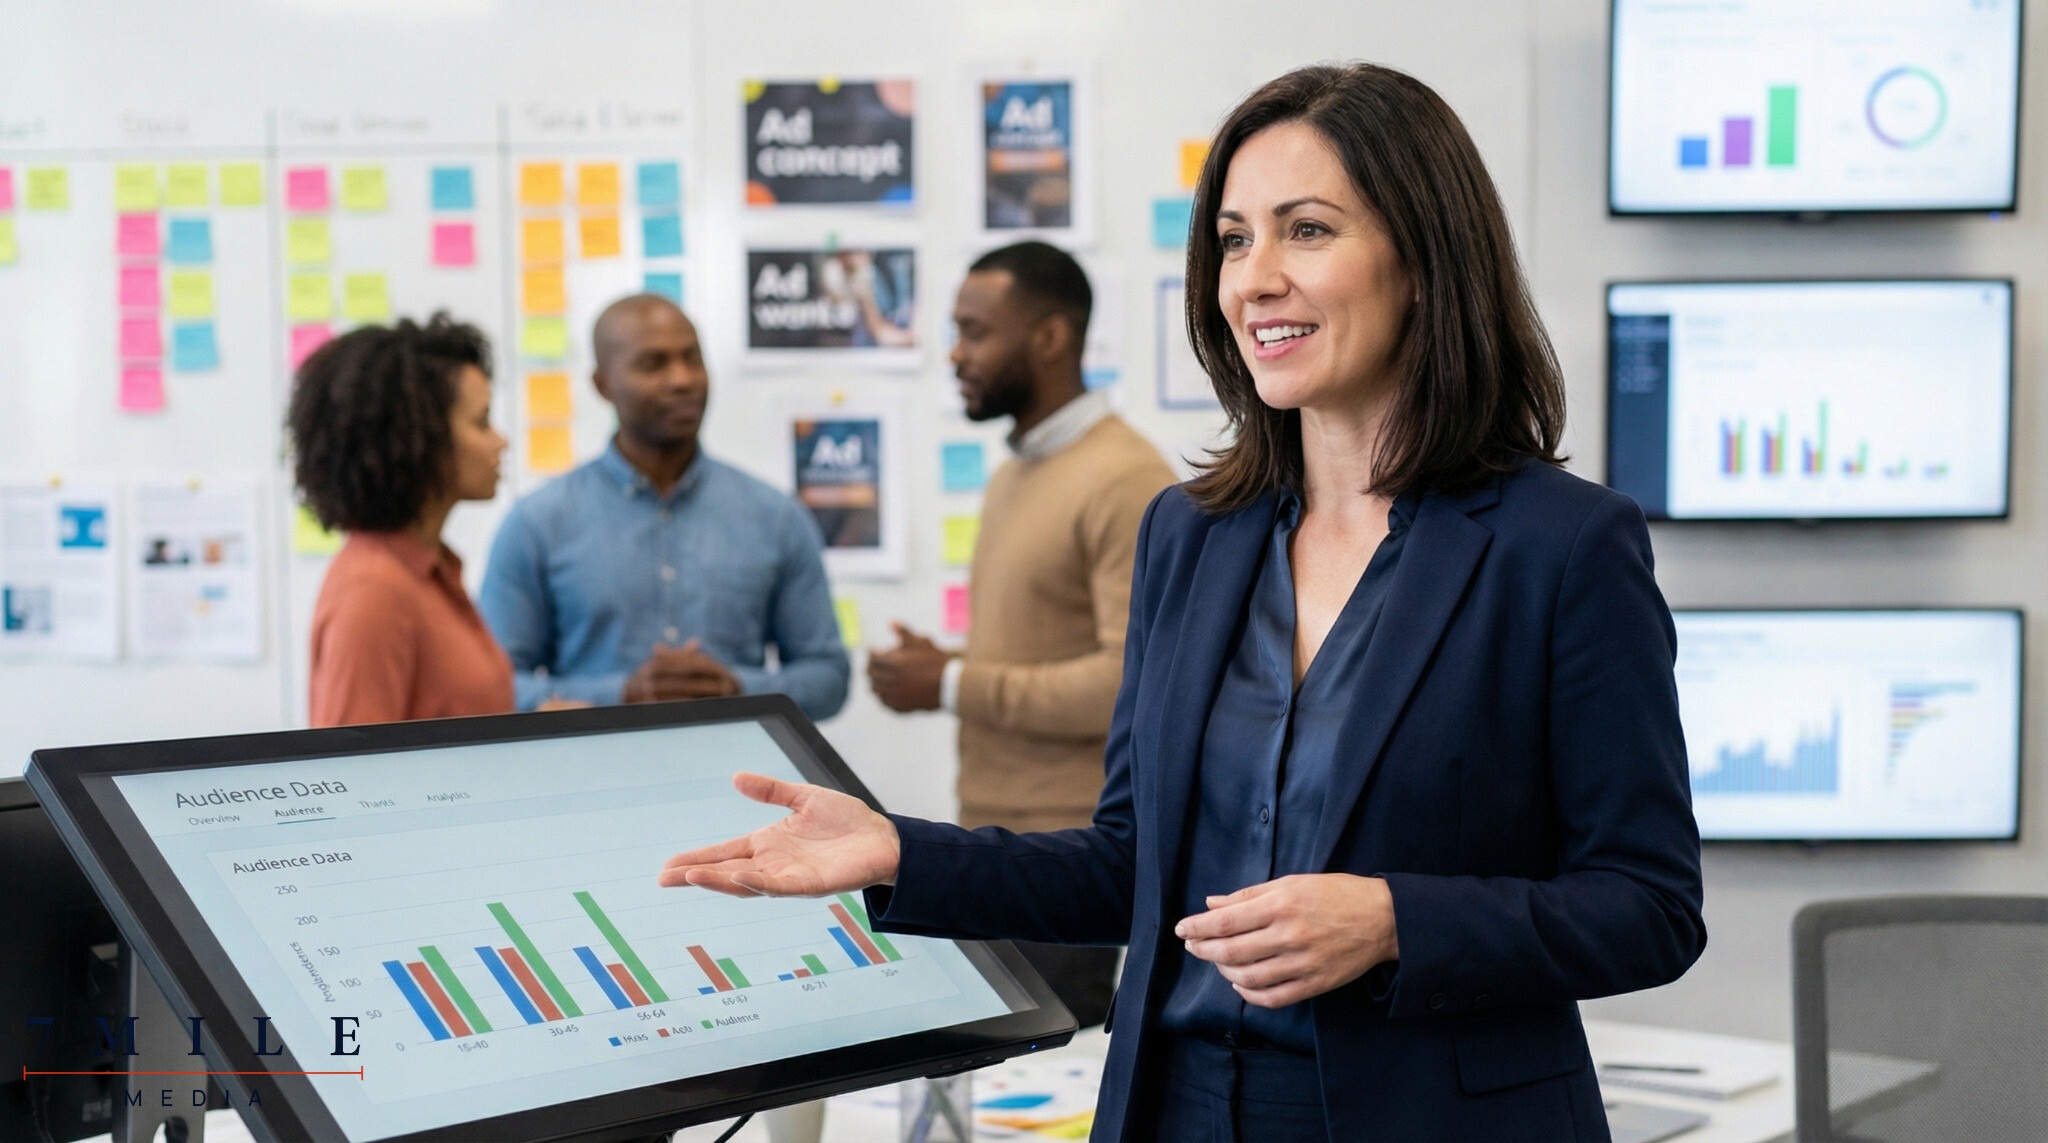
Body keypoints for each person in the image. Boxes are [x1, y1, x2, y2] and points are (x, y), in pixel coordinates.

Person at [657, 63, 1705, 1142]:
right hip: (1179, 1108)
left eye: (1305, 231)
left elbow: (1648, 907)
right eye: (1234, 240)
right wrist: (899, 853)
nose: (1253, 278)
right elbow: (1129, 865)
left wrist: (1396, 920)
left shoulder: (1561, 545)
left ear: (1423, 259)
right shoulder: (1191, 536)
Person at [867, 240, 1174, 1028]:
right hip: (996, 849)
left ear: (1049, 338)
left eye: (976, 331)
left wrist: (948, 682)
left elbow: (1124, 684)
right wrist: (945, 668)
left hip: (1067, 864)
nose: (956, 353)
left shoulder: (1126, 480)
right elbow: (1044, 654)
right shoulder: (1015, 473)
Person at [479, 294, 849, 719]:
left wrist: (738, 689)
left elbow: (829, 677)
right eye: (653, 364)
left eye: (692, 359)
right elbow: (494, 683)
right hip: (592, 776)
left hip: (740, 778)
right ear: (602, 385)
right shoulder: (537, 523)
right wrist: (622, 695)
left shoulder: (775, 515)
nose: (682, 379)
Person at [290, 314, 515, 727]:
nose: (502, 441)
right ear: (422, 438)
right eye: (481, 422)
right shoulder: (375, 592)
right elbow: (352, 776)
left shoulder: (429, 570)